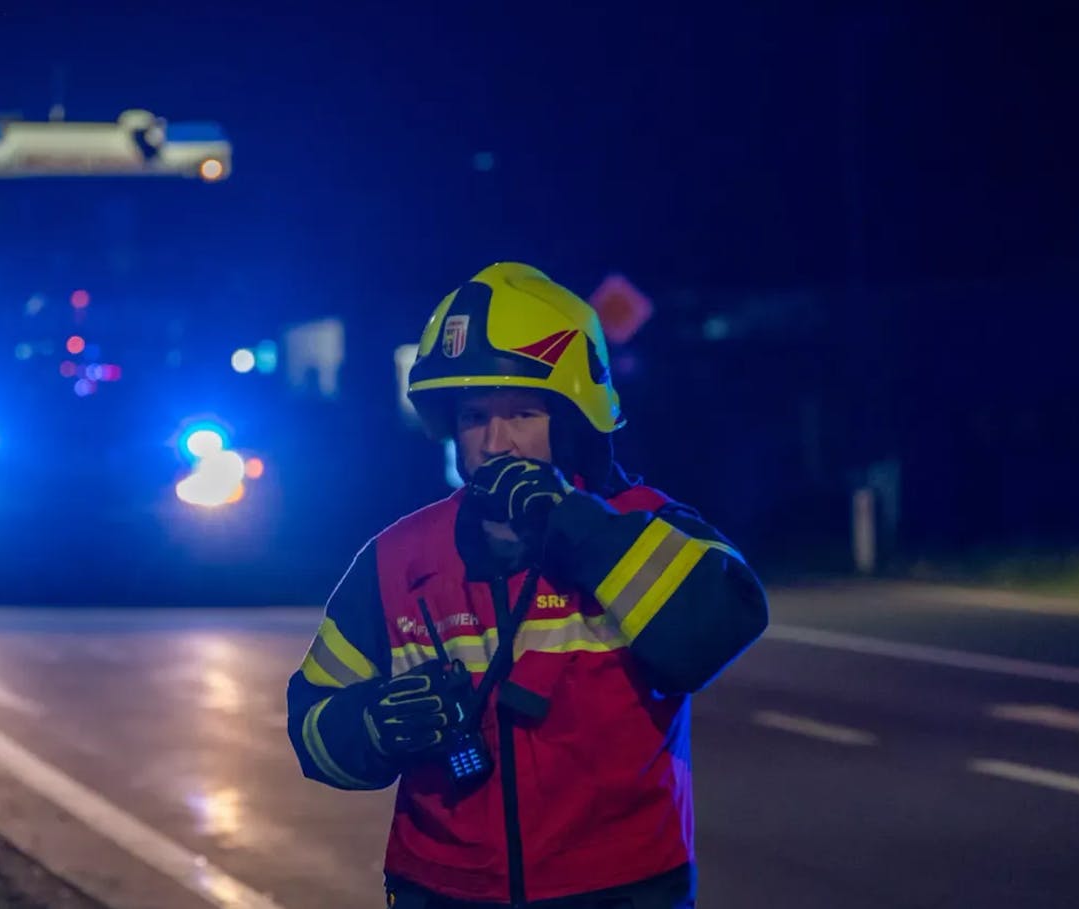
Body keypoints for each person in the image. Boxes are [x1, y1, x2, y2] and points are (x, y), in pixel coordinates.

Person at [286, 262, 768, 908]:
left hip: (618, 892)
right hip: (442, 891)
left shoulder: (647, 527)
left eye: (522, 411)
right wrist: (375, 724)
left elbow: (718, 627)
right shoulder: (397, 558)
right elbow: (311, 727)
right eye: (474, 414)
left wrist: (573, 526)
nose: (494, 442)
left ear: (573, 419)